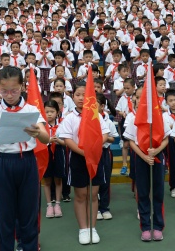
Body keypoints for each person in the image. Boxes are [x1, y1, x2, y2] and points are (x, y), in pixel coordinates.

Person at [0, 67, 49, 251]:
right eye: (4, 91)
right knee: (4, 216)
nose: (9, 95)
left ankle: (29, 247)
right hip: (3, 163)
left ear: (22, 87)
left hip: (27, 162)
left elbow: (46, 138)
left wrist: (37, 132)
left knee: (29, 213)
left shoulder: (31, 109)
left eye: (14, 90)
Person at [57, 82, 110, 245]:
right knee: (81, 195)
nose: (81, 98)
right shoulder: (70, 117)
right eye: (78, 95)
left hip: (95, 157)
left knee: (93, 195)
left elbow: (105, 134)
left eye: (84, 95)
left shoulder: (96, 115)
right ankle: (83, 229)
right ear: (72, 97)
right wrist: (84, 153)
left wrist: (93, 150)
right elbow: (67, 139)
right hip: (78, 158)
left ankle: (92, 228)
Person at [123, 87, 171, 242]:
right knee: (143, 192)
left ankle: (157, 226)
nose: (140, 100)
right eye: (138, 98)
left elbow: (166, 139)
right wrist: (144, 156)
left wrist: (156, 151)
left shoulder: (160, 117)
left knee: (158, 192)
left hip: (157, 156)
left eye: (143, 97)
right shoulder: (134, 119)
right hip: (141, 157)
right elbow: (131, 141)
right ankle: (145, 227)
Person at [97, 93, 119, 220]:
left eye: (95, 104)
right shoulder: (87, 120)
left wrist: (102, 138)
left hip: (105, 152)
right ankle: (95, 208)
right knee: (94, 181)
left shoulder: (108, 121)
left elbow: (113, 138)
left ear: (102, 106)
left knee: (105, 180)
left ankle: (104, 208)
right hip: (92, 153)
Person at [43, 100, 65, 219]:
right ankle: (49, 205)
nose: (49, 114)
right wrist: (47, 140)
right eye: (46, 112)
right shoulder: (41, 126)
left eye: (52, 111)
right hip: (45, 153)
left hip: (58, 152)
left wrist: (58, 141)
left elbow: (66, 142)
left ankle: (57, 204)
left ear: (57, 112)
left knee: (58, 180)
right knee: (47, 181)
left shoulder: (62, 124)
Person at [162, 89, 175, 199]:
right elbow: (165, 129)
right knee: (173, 164)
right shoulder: (165, 115)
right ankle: (174, 187)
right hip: (171, 141)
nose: (173, 103)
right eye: (170, 100)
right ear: (166, 102)